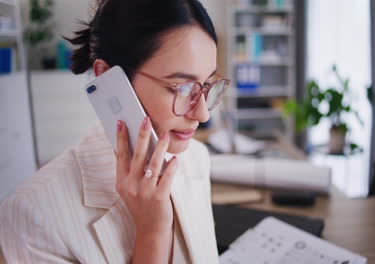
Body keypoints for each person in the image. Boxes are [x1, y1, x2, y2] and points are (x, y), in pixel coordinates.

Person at [0, 0, 228, 263]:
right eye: (181, 87)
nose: (202, 114)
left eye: (207, 84)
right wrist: (152, 231)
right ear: (107, 77)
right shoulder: (31, 216)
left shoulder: (195, 158)